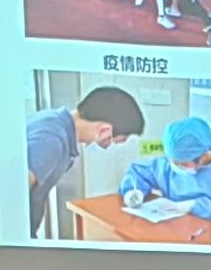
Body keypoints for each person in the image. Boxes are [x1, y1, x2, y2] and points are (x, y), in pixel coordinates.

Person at [115, 116, 211, 246]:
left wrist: (197, 206)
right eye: (172, 160)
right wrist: (133, 191)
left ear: (203, 155)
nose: (175, 166)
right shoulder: (170, 165)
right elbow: (139, 172)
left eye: (182, 162)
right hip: (176, 233)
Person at [23, 82, 144, 240]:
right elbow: (11, 195)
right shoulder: (52, 141)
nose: (111, 145)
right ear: (104, 130)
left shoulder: (51, 119)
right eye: (117, 141)